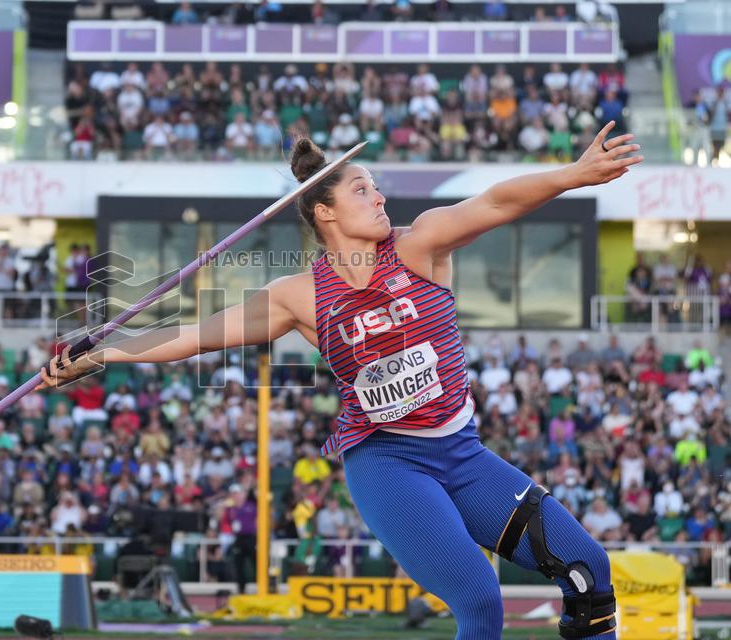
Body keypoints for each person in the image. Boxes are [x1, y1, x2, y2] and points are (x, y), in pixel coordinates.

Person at [39, 122, 641, 639]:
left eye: (376, 186)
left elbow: (497, 202)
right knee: (480, 598)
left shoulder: (419, 246)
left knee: (588, 569)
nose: (379, 196)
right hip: (388, 464)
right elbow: (192, 337)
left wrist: (572, 174)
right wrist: (103, 354)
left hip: (463, 454)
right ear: (324, 211)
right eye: (362, 188)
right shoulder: (297, 297)